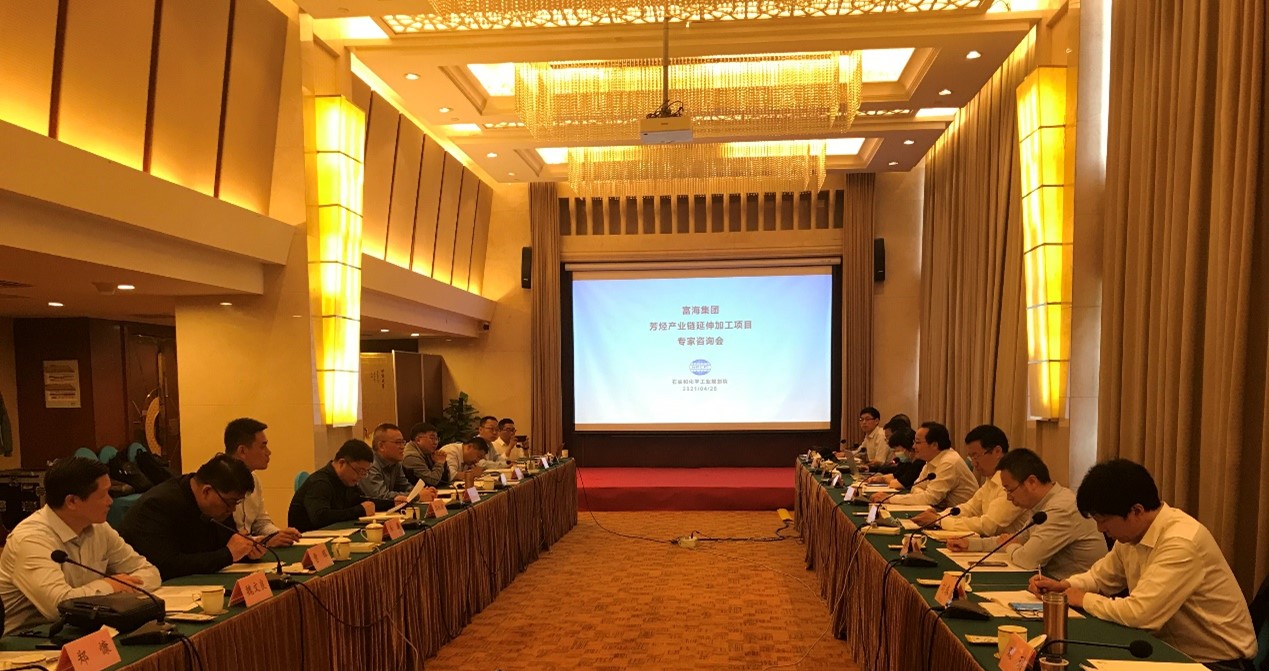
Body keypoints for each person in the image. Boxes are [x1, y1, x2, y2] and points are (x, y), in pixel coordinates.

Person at [1028, 459, 1257, 670]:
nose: (1100, 529)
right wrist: (1065, 586)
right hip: (1169, 650)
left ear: (1136, 511)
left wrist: (1084, 599)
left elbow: (1140, 615)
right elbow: (1101, 577)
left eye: (1103, 520)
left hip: (1216, 662)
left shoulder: (1181, 542)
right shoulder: (1131, 536)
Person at [0, 457, 161, 635]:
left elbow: (149, 572)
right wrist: (110, 586)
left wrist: (120, 591)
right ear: (72, 502)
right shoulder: (30, 540)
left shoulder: (99, 527)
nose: (110, 501)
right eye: (103, 495)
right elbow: (58, 607)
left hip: (80, 628)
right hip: (24, 639)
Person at [946, 448, 1104, 580]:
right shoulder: (1042, 503)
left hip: (1073, 591)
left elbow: (1028, 559)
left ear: (1032, 482)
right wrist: (971, 544)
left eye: (1010, 490)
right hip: (1049, 582)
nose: (1008, 497)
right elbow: (1018, 539)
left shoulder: (1061, 509)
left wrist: (1010, 546)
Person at [119, 454, 265, 580]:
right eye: (231, 502)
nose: (232, 509)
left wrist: (247, 550)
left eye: (237, 503)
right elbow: (165, 565)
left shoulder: (220, 503)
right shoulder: (157, 505)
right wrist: (228, 555)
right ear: (207, 491)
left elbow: (225, 545)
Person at [910, 424, 1027, 535]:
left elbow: (988, 525)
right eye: (971, 458)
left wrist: (939, 521)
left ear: (997, 451)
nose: (974, 463)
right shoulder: (991, 480)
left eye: (976, 456)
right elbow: (970, 508)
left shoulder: (1013, 483)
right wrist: (940, 516)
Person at [223, 417, 301, 548]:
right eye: (263, 446)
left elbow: (261, 523)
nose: (268, 452)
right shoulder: (220, 483)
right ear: (242, 451)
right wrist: (264, 541)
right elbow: (225, 537)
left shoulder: (254, 479)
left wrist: (279, 534)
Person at [289, 440, 393, 532]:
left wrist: (393, 504)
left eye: (365, 472)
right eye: (359, 471)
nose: (361, 477)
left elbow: (362, 501)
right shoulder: (320, 482)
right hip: (308, 540)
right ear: (342, 463)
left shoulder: (347, 481)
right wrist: (360, 510)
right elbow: (320, 517)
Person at [871, 421, 976, 508]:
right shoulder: (931, 459)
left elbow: (930, 499)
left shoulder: (949, 462)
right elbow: (916, 487)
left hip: (958, 517)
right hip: (941, 510)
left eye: (917, 442)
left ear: (934, 445)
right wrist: (924, 495)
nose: (913, 446)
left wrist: (889, 498)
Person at [358, 423, 416, 503]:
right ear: (381, 446)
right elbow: (380, 496)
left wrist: (420, 491)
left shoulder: (395, 462)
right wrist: (416, 496)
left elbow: (404, 486)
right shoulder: (369, 464)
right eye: (398, 442)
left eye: (403, 442)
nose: (403, 447)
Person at [402, 422, 446, 487]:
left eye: (437, 439)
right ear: (418, 440)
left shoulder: (426, 452)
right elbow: (432, 481)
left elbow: (444, 479)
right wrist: (439, 463)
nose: (436, 442)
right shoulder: (411, 457)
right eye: (432, 438)